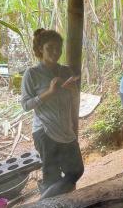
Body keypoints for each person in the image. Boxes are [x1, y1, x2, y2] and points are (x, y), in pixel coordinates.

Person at [21, 28, 84, 198]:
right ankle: (51, 207)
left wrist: (73, 91)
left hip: (65, 130)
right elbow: (26, 105)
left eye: (58, 48)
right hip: (45, 131)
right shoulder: (32, 74)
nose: (55, 52)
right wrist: (49, 92)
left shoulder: (66, 71)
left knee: (77, 170)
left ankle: (46, 198)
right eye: (50, 48)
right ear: (40, 48)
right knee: (53, 177)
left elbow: (74, 100)